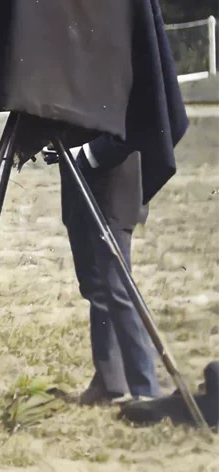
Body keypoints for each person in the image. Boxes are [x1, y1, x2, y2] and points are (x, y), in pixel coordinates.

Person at [45, 134, 160, 406]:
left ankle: (147, 389)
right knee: (96, 287)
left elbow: (133, 128)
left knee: (116, 287)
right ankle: (110, 382)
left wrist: (85, 152)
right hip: (80, 182)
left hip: (114, 187)